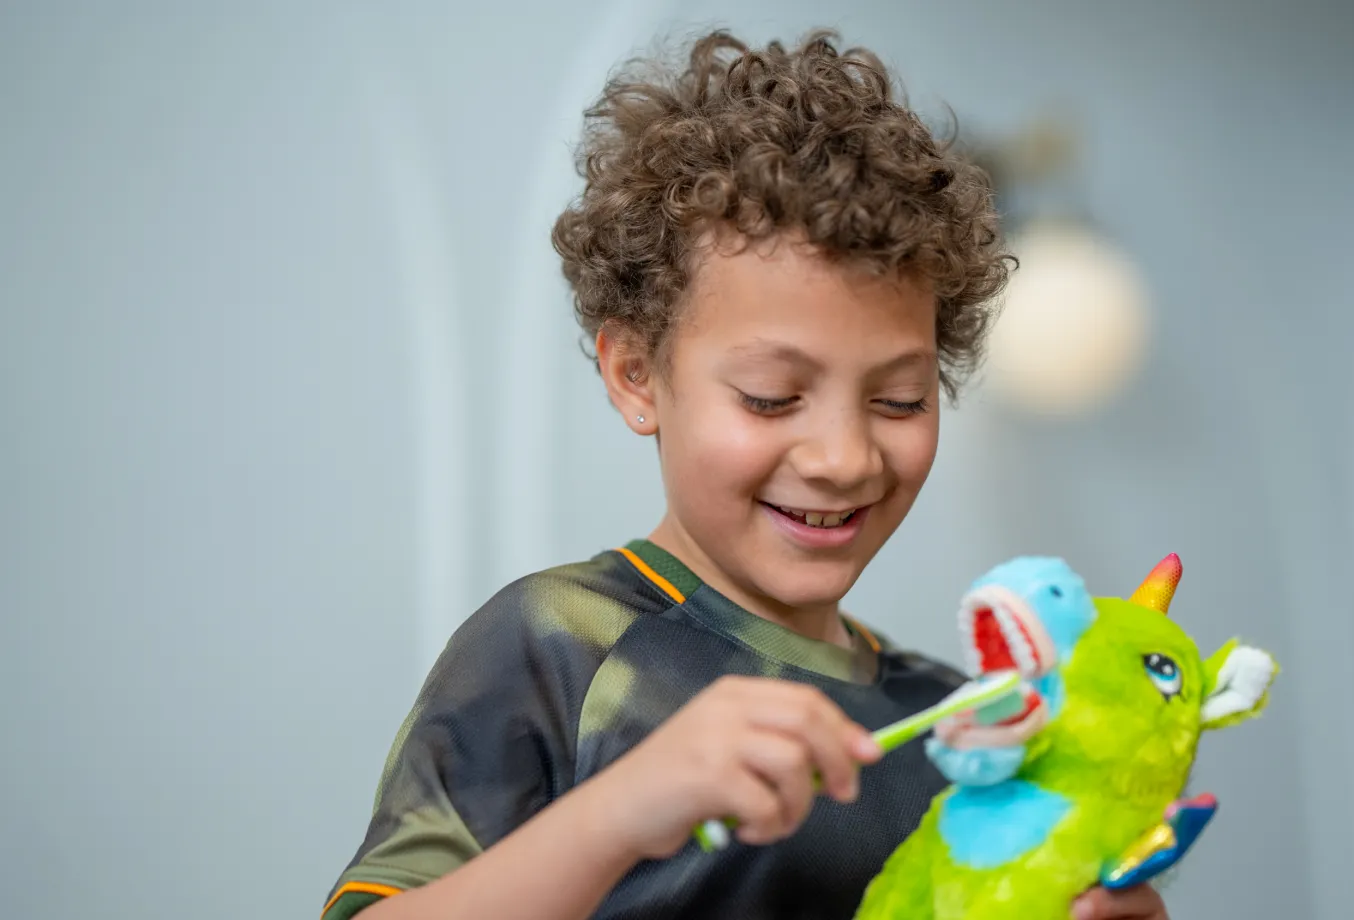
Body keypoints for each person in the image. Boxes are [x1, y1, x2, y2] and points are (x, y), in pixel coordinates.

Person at [321, 28, 1169, 920]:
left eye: (899, 401)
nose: (843, 459)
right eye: (771, 397)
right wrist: (619, 813)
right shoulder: (557, 645)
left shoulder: (966, 728)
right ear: (636, 375)